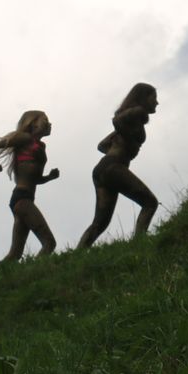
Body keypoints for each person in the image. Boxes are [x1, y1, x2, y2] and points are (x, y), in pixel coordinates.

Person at [76, 83, 161, 249]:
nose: (157, 103)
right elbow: (117, 120)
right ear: (144, 98)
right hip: (113, 167)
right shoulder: (138, 112)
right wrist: (128, 141)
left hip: (102, 169)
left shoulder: (133, 121)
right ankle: (140, 245)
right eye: (154, 98)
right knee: (150, 203)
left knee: (100, 223)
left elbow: (102, 145)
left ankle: (76, 255)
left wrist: (124, 142)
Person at [0, 110, 62, 262]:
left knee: (15, 253)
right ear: (32, 124)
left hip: (24, 199)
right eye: (44, 120)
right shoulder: (25, 138)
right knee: (49, 243)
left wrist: (49, 177)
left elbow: (34, 178)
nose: (49, 123)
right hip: (22, 199)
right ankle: (36, 273)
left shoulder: (40, 146)